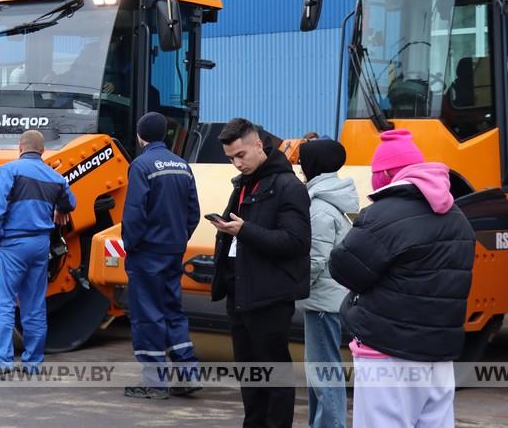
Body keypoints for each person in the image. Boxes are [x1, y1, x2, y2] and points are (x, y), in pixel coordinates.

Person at [329, 129, 475, 428]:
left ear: (385, 174)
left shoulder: (383, 214)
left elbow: (344, 268)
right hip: (439, 353)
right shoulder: (457, 216)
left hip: (388, 352)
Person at [209, 118, 311, 428]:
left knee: (273, 374)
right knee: (250, 373)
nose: (236, 163)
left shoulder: (288, 186)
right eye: (230, 158)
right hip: (241, 294)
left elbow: (296, 242)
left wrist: (244, 230)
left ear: (258, 144)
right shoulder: (243, 184)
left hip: (269, 297)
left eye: (241, 155)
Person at [0, 129, 77, 378]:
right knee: (34, 305)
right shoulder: (55, 177)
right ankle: (33, 363)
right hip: (40, 245)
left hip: (13, 244)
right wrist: (59, 208)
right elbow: (71, 202)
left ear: (20, 147)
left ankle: (1, 364)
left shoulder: (9, 170)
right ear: (43, 151)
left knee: (4, 303)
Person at [122, 112, 202, 400]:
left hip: (146, 253)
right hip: (173, 251)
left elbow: (134, 214)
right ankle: (188, 374)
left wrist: (131, 246)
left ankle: (155, 381)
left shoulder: (140, 165)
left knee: (148, 315)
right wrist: (179, 239)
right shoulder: (182, 165)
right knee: (172, 311)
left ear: (141, 135)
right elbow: (194, 212)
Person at [297, 139, 358, 428]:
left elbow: (314, 260)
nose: (300, 168)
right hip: (330, 298)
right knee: (320, 371)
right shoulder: (331, 201)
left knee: (324, 372)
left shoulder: (320, 208)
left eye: (303, 162)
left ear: (313, 166)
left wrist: (293, 288)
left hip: (322, 301)